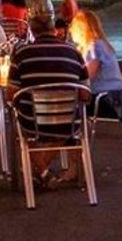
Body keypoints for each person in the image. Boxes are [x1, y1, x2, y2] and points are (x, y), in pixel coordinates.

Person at [8, 12, 90, 186]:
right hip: (69, 121)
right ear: (54, 29)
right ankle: (44, 173)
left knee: (18, 126)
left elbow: (11, 94)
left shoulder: (22, 54)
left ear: (32, 31)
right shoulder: (74, 52)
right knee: (62, 125)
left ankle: (41, 172)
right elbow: (85, 94)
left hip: (33, 122)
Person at [71, 10, 122, 140]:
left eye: (73, 27)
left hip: (105, 100)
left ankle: (71, 139)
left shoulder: (93, 47)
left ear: (81, 29)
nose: (71, 30)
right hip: (118, 96)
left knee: (68, 102)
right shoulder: (102, 44)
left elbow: (87, 75)